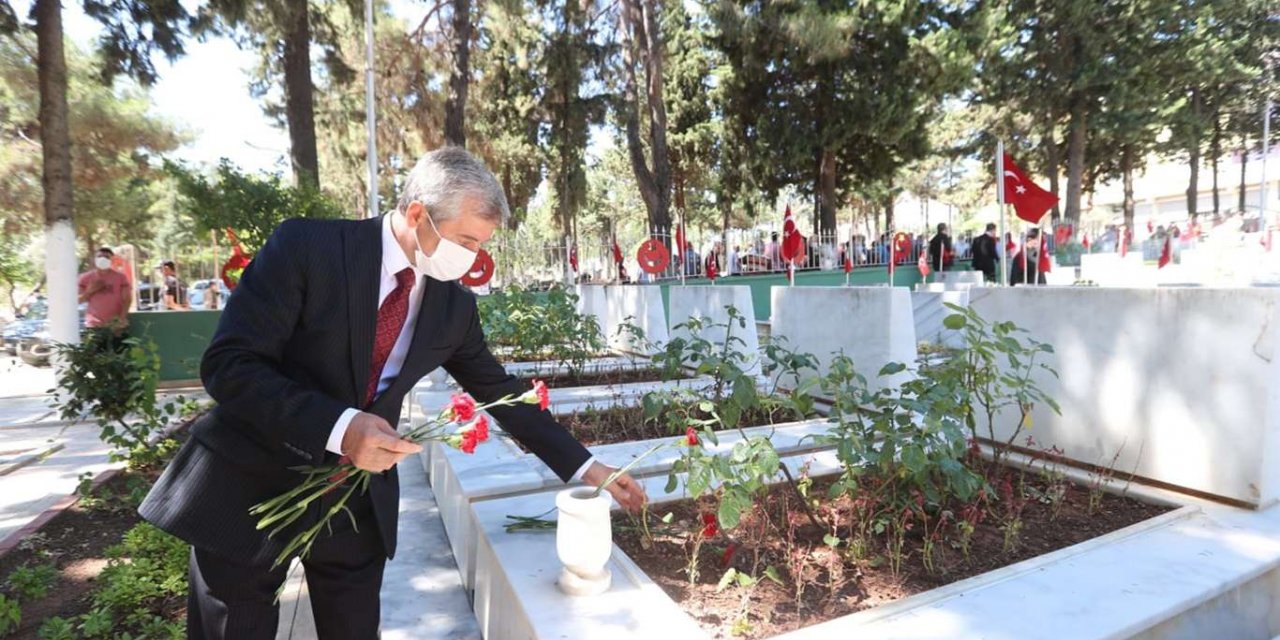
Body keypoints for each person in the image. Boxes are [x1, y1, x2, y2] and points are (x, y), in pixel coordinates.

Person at [139, 148, 649, 640]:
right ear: (417, 214)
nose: (473, 259)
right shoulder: (307, 249)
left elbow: (502, 394)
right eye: (466, 241)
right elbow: (230, 366)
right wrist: (340, 428)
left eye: (481, 245)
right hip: (249, 488)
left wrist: (588, 468)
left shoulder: (452, 308)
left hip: (354, 505)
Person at [77, 247, 131, 340]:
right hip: (94, 325)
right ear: (94, 259)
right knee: (95, 354)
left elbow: (127, 299)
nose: (103, 259)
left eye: (106, 257)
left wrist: (121, 319)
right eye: (99, 256)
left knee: (118, 352)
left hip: (115, 324)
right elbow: (78, 300)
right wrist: (90, 290)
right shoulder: (85, 278)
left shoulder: (121, 277)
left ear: (112, 260)